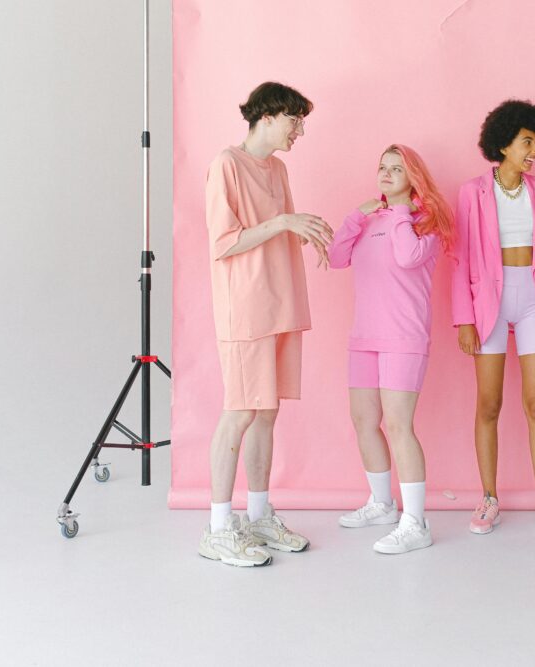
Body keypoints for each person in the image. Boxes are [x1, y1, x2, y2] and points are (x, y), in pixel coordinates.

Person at [199, 82, 334, 567]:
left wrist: (304, 233)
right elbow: (225, 242)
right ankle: (218, 528)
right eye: (296, 120)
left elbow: (280, 228)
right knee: (239, 411)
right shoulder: (226, 165)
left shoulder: (277, 168)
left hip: (280, 304)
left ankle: (257, 515)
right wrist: (284, 222)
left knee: (267, 412)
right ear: (270, 115)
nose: (300, 130)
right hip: (245, 309)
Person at [451, 99, 535, 538]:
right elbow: (461, 258)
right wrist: (464, 318)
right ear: (504, 144)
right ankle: (489, 499)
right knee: (489, 404)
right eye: (527, 142)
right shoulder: (471, 192)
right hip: (488, 305)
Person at [329, 144, 454, 554]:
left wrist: (401, 211)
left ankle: (415, 523)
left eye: (396, 168)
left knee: (400, 426)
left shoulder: (426, 224)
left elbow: (406, 258)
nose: (386, 173)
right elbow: (336, 258)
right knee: (364, 421)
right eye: (382, 166)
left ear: (412, 176)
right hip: (364, 337)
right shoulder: (370, 219)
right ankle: (382, 503)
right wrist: (356, 216)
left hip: (404, 337)